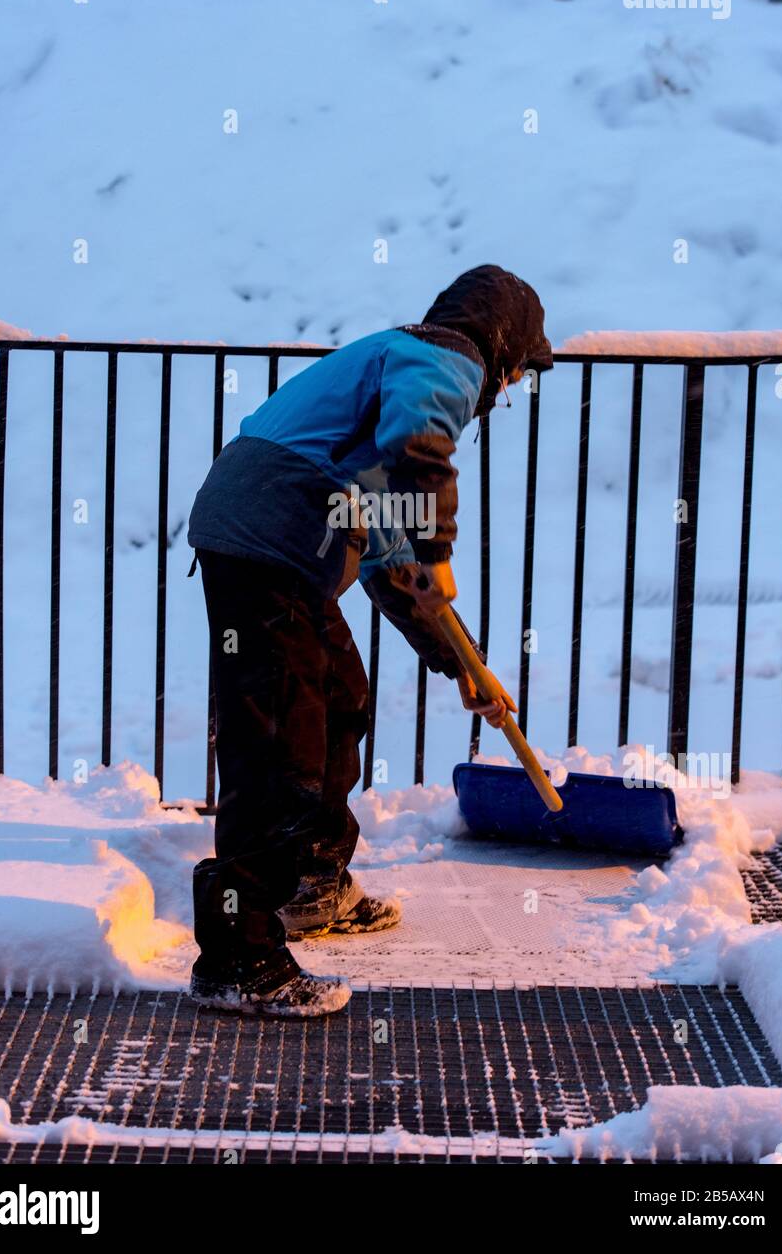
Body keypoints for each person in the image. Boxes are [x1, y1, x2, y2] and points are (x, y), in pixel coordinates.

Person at [186, 264, 553, 1015]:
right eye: (513, 373)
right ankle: (238, 955)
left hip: (272, 540)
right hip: (266, 538)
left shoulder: (386, 389)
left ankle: (313, 884)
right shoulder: (441, 357)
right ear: (503, 349)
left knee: (339, 699)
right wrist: (440, 544)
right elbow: (422, 451)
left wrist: (460, 665)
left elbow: (392, 563)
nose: (505, 390)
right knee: (281, 740)